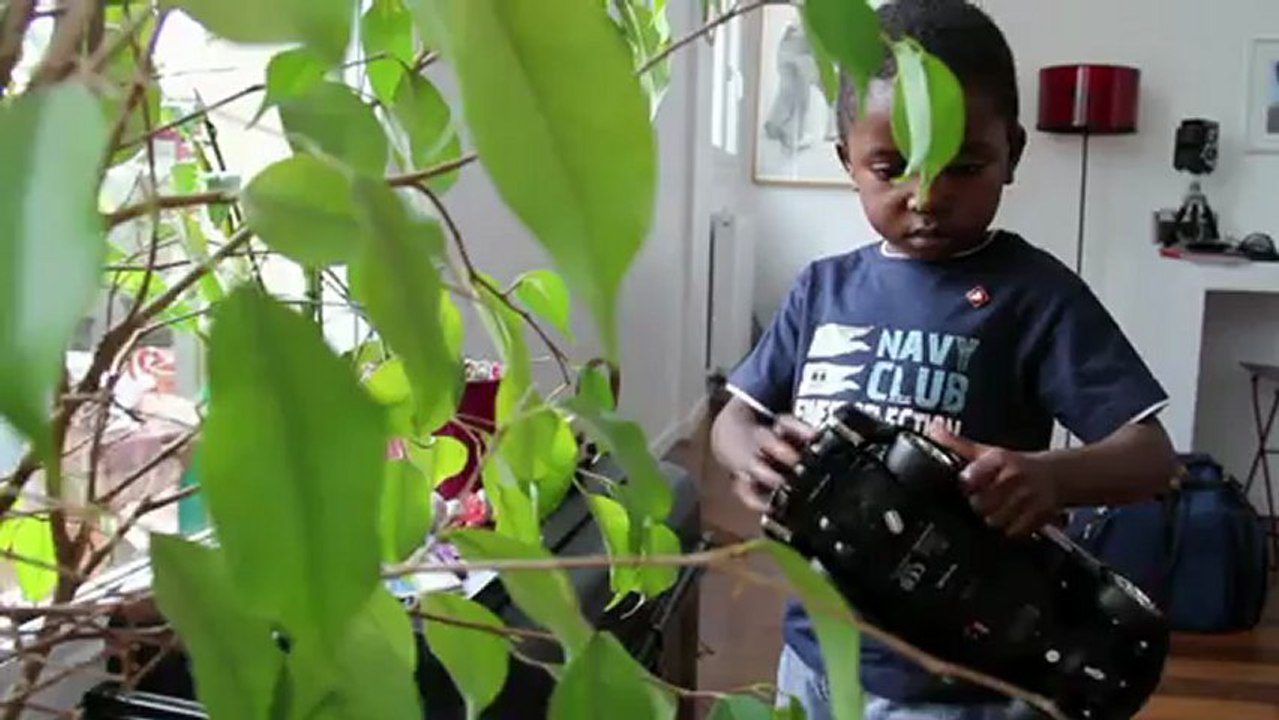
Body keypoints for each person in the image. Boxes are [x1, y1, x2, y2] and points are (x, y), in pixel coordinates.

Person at [709, 1, 1180, 719]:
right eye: (892, 167)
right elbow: (733, 416)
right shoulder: (821, 288)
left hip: (955, 676)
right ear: (846, 160)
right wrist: (752, 454)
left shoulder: (1035, 294)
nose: (926, 195)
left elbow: (1150, 459)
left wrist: (1046, 477)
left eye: (961, 165)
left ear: (1011, 153)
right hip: (812, 650)